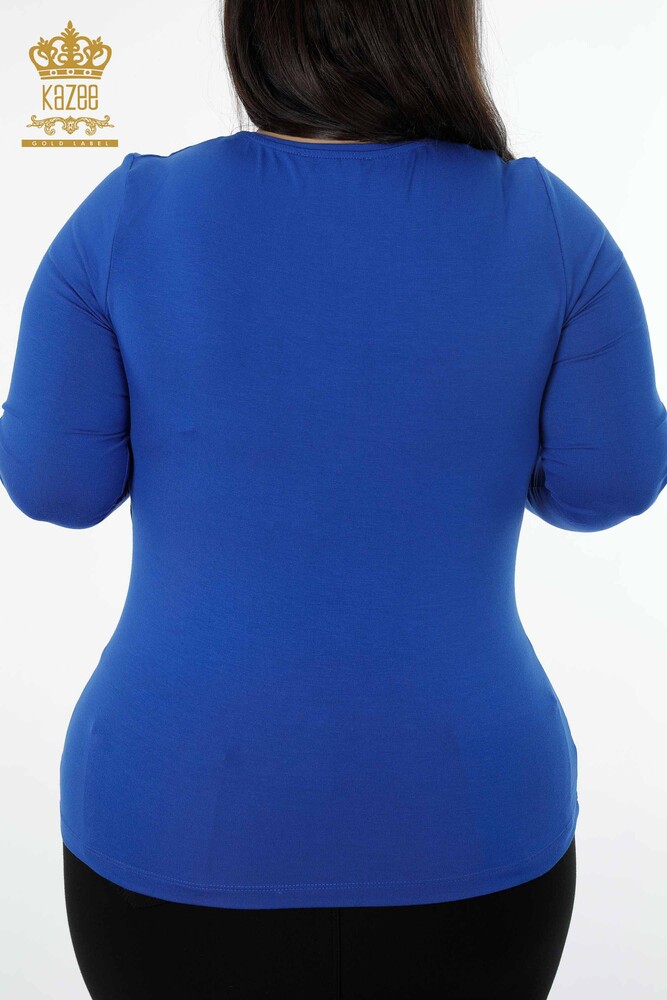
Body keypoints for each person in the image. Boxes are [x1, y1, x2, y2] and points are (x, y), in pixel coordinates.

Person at [1, 1, 665, 997]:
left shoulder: (129, 215)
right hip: (471, 815)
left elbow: (56, 486)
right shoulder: (549, 224)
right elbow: (609, 480)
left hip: (172, 814)